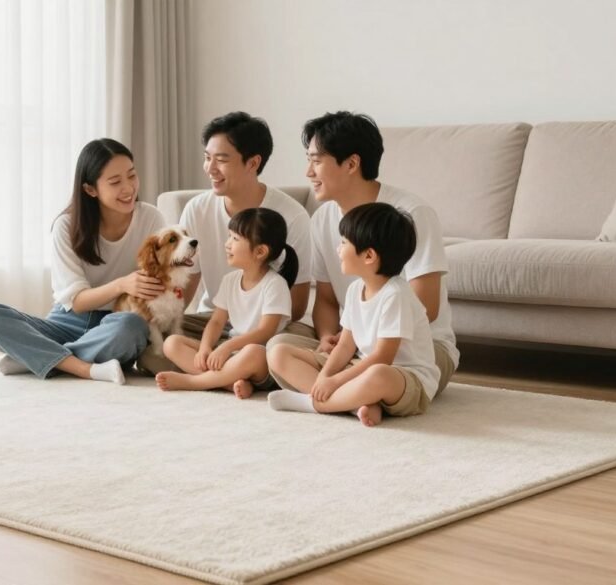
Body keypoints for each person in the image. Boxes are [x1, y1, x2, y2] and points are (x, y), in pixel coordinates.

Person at [267, 111, 458, 394]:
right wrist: (329, 337)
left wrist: (354, 342)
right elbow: (328, 301)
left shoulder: (410, 214)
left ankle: (336, 395)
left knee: (379, 373)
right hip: (356, 343)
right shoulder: (321, 219)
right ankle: (349, 399)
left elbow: (425, 307)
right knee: (276, 347)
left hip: (418, 349)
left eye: (317, 161)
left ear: (352, 163)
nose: (309, 173)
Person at [0, 138, 166, 385]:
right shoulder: (66, 226)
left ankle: (37, 358)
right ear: (90, 189)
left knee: (132, 327)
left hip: (116, 323)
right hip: (66, 323)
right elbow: (77, 303)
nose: (128, 188)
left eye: (132, 176)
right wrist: (121, 285)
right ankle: (85, 368)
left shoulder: (152, 218)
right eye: (116, 182)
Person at [137, 111, 314, 374]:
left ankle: (217, 373)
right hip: (215, 320)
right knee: (152, 352)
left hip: (270, 325)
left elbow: (297, 307)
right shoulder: (197, 210)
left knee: (279, 348)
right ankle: (233, 375)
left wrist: (246, 330)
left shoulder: (291, 216)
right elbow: (186, 288)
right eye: (207, 158)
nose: (210, 168)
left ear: (253, 163)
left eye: (221, 160)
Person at [267, 203, 441, 426]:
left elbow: (382, 358)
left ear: (369, 255)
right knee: (278, 353)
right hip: (361, 365)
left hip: (406, 378)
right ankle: (354, 405)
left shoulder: (396, 295)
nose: (338, 250)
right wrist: (324, 377)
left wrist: (335, 380)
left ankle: (315, 403)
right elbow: (345, 346)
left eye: (343, 243)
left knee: (378, 374)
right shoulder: (354, 289)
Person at [155, 208, 298, 398]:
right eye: (229, 237)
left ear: (260, 251)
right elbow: (216, 322)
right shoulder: (230, 280)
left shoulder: (275, 285)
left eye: (235, 239)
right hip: (229, 354)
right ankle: (230, 383)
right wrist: (206, 348)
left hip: (259, 359)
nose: (227, 244)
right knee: (171, 343)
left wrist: (226, 348)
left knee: (252, 353)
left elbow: (265, 332)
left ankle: (196, 382)